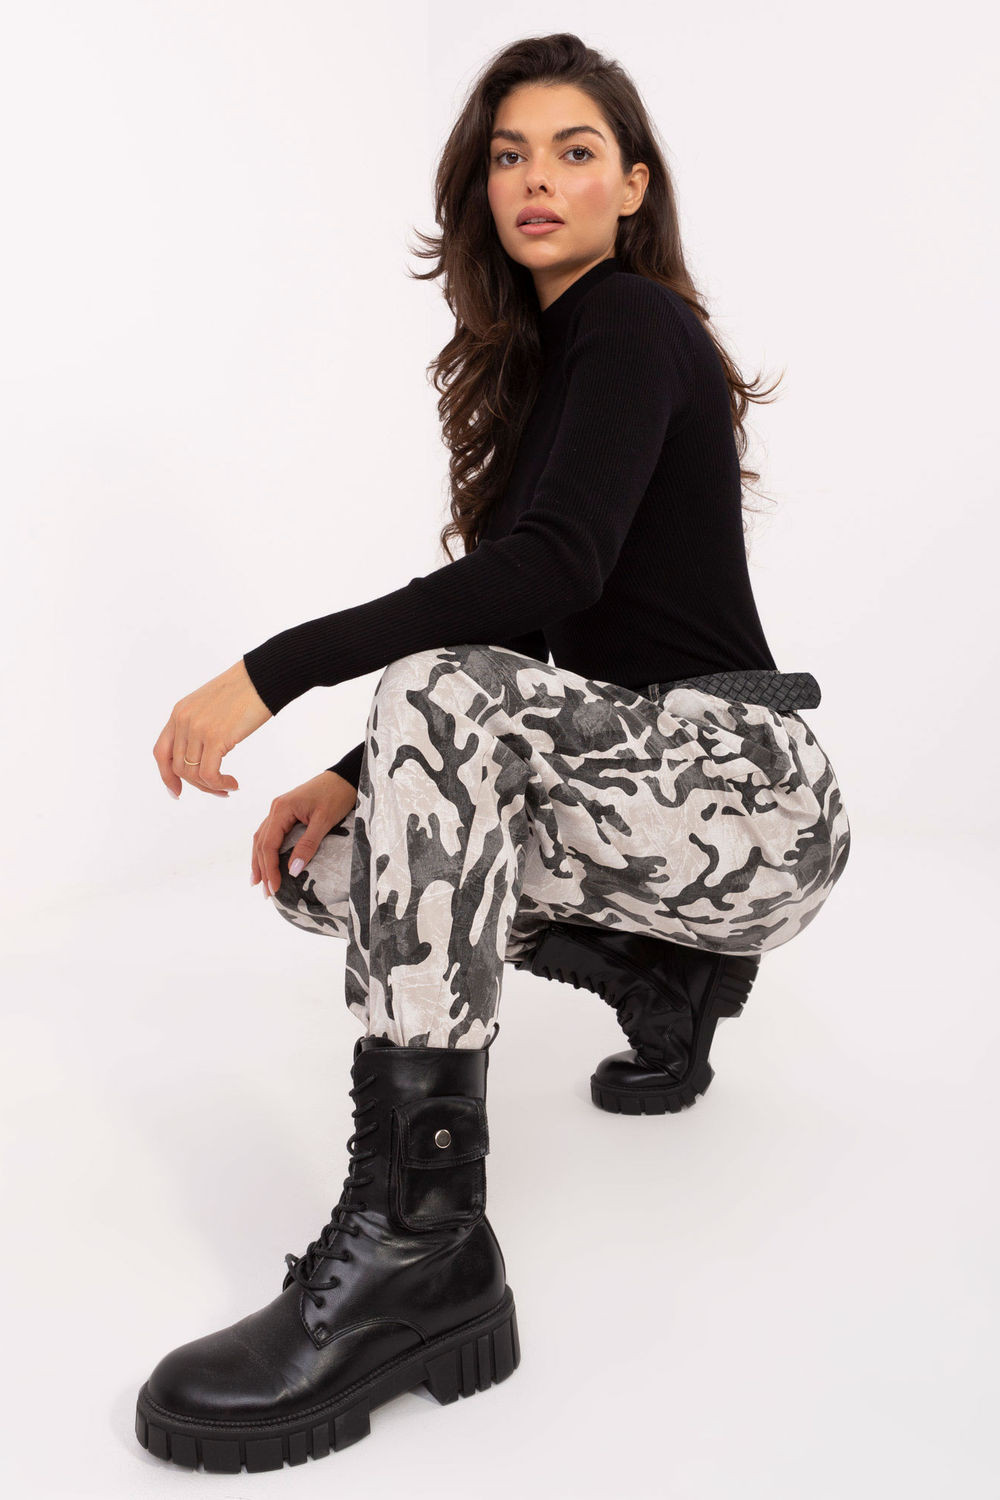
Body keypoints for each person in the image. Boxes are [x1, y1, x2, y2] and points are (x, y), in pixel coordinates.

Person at [138, 33, 852, 1475]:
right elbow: (537, 639)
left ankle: (422, 1241)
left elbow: (540, 582)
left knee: (433, 692)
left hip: (750, 790)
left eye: (574, 152)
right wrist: (355, 774)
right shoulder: (552, 373)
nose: (537, 179)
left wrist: (274, 672)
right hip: (649, 802)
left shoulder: (634, 322)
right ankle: (660, 976)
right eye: (509, 155)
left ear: (632, 187)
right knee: (334, 866)